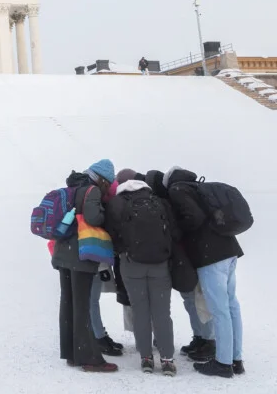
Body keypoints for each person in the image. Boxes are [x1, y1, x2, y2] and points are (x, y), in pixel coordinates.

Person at [165, 167, 244, 379]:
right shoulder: (201, 189)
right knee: (231, 304)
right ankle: (235, 359)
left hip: (211, 257)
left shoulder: (178, 190)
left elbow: (195, 218)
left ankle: (223, 363)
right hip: (229, 250)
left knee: (219, 309)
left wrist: (176, 228)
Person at [105, 171, 178, 376]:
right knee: (162, 313)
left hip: (131, 263)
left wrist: (123, 251)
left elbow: (111, 233)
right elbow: (173, 231)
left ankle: (146, 358)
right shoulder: (158, 201)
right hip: (160, 264)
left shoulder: (116, 203)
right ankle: (167, 359)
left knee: (140, 310)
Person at [51, 159, 119, 373]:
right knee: (82, 306)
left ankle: (72, 353)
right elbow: (93, 217)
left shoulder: (72, 187)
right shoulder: (92, 190)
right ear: (100, 178)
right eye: (107, 181)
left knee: (68, 303)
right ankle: (90, 358)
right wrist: (104, 214)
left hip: (63, 252)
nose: (107, 186)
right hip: (81, 254)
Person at [145, 169, 215, 362]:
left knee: (196, 299)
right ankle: (201, 337)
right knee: (192, 299)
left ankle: (208, 340)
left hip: (189, 255)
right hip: (187, 255)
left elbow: (180, 228)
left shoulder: (173, 199)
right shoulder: (178, 197)